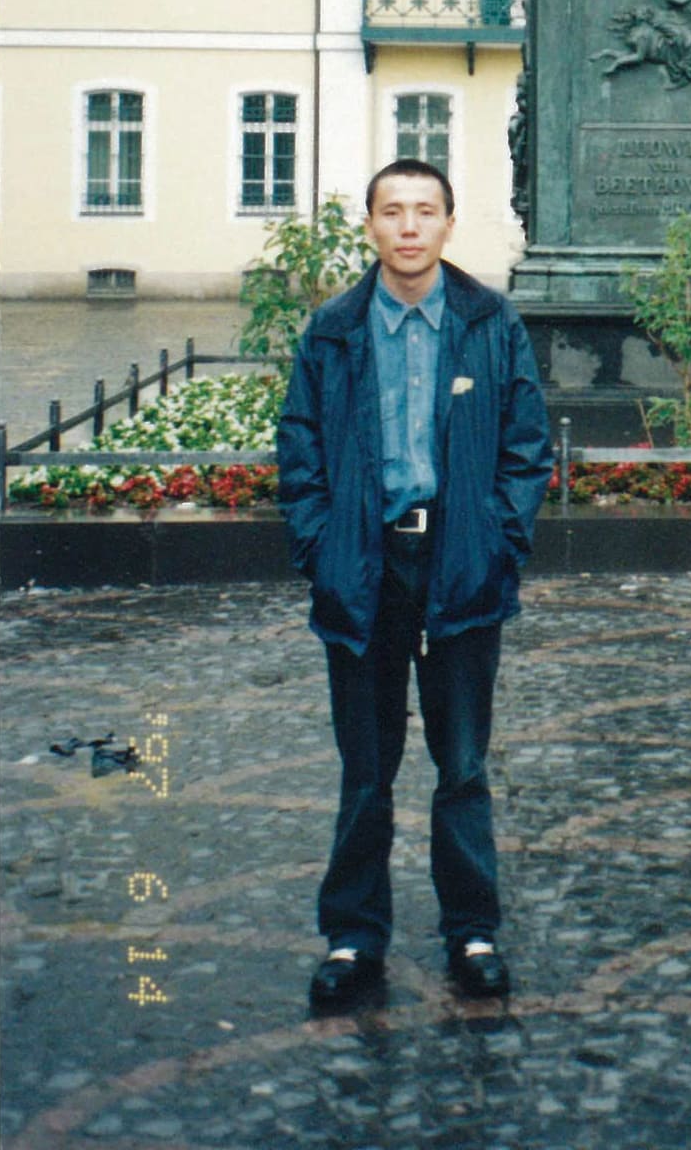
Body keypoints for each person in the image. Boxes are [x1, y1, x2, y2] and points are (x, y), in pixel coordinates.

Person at [277, 159, 553, 1012]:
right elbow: (299, 452)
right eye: (391, 212)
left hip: (459, 568)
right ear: (369, 226)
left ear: (447, 224)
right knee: (366, 769)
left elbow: (526, 447)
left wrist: (496, 543)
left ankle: (472, 932)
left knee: (462, 764)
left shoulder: (488, 321)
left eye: (423, 211)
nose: (407, 227)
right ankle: (353, 937)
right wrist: (323, 549)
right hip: (364, 570)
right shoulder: (333, 330)